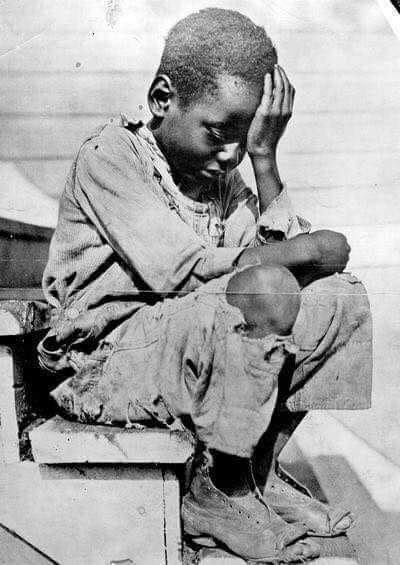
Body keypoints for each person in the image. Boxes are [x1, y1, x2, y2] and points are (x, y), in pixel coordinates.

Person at [38, 8, 372, 562]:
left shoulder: (221, 177)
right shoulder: (110, 156)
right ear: (161, 98)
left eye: (244, 141)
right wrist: (304, 248)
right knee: (266, 289)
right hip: (106, 365)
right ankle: (219, 495)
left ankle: (258, 473)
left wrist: (265, 159)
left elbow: (292, 273)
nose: (229, 155)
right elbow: (180, 271)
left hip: (182, 347)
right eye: (219, 134)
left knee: (337, 297)